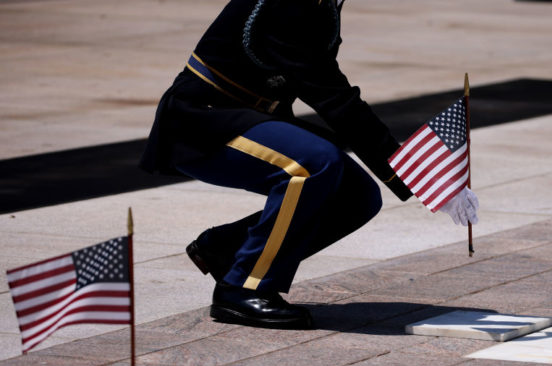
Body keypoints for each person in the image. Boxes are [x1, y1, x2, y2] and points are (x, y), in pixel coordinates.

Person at [139, 0, 478, 329]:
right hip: (202, 120)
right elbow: (334, 97)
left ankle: (228, 250)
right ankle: (243, 288)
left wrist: (420, 177)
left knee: (357, 194)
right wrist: (419, 178)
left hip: (249, 116)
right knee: (314, 163)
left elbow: (326, 88)